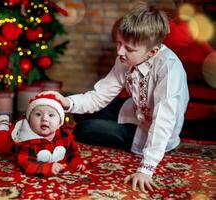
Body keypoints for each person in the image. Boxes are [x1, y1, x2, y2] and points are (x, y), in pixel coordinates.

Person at [39, 2, 189, 193]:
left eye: (128, 48)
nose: (119, 52)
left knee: (84, 129)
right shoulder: (125, 58)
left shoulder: (169, 69)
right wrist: (66, 102)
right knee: (79, 111)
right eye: (119, 43)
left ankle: (115, 131)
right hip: (134, 109)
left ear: (153, 52)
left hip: (149, 129)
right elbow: (99, 96)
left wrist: (146, 169)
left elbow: (163, 122)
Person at [0, 94, 85, 177]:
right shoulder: (26, 141)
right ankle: (3, 122)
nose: (44, 119)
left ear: (60, 123)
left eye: (51, 115)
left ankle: (5, 122)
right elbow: (26, 164)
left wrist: (76, 161)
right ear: (29, 120)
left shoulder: (65, 135)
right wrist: (48, 168)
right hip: (7, 143)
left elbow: (72, 151)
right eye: (38, 114)